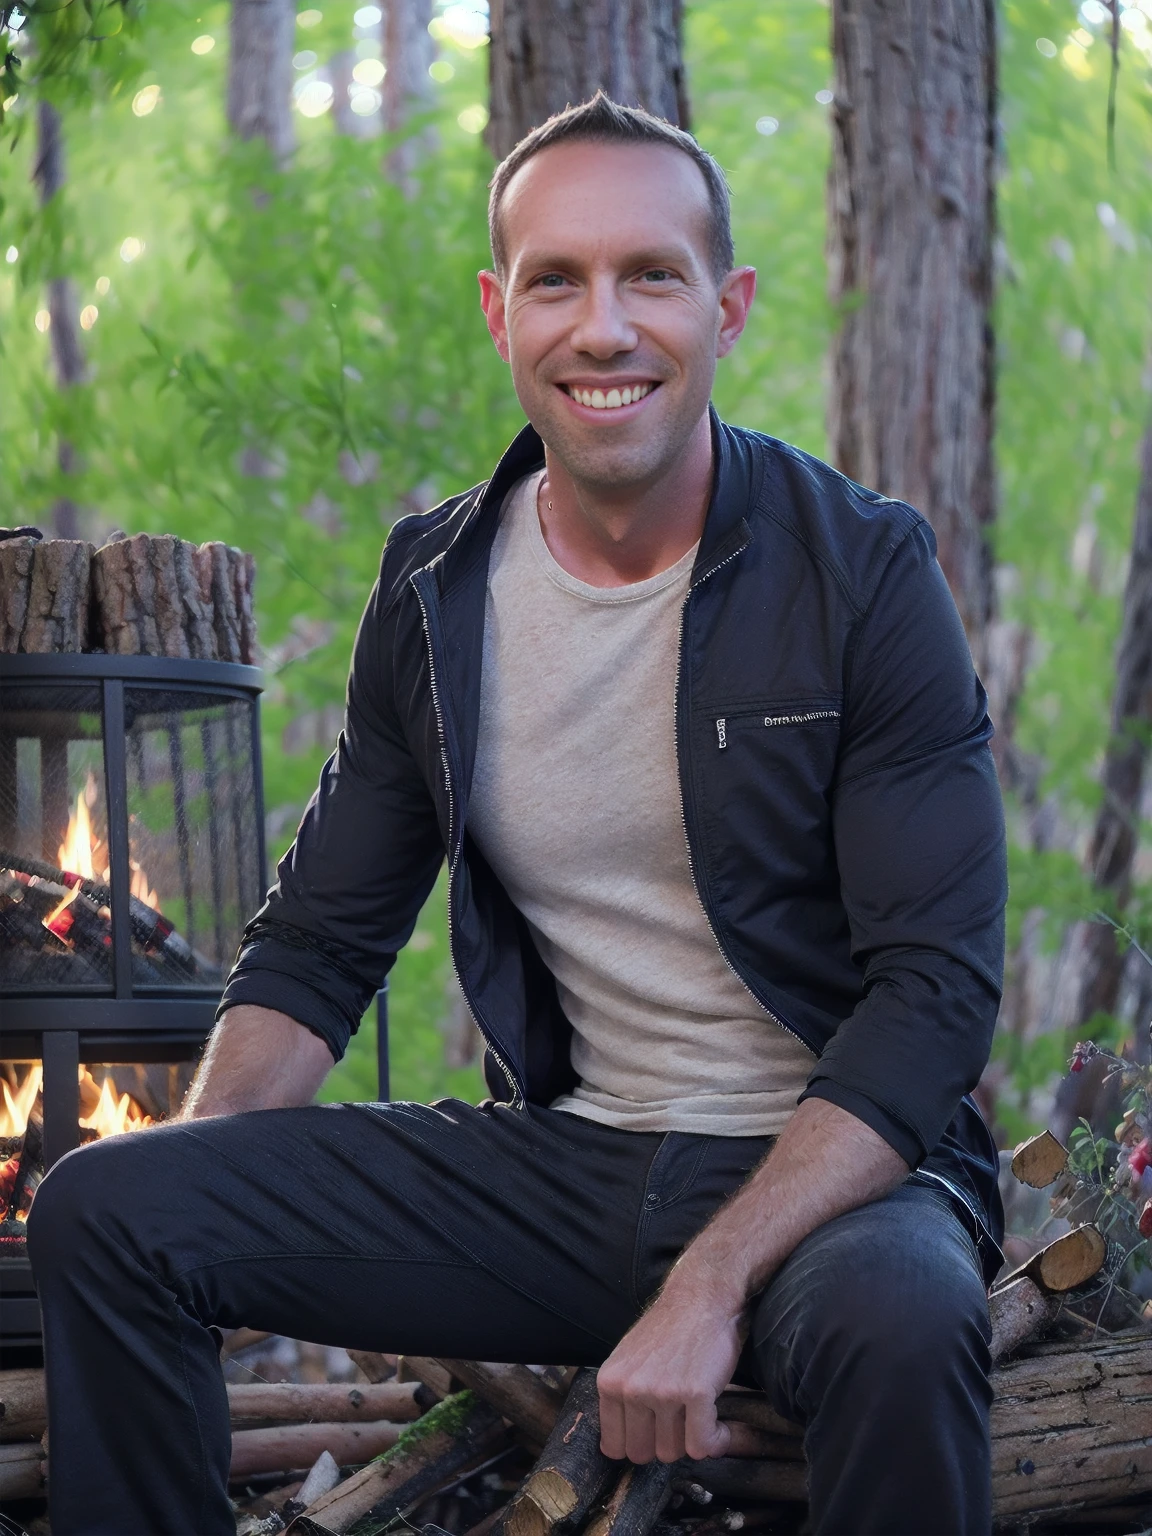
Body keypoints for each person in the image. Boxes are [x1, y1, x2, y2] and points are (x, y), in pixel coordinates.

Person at [28, 94, 1007, 1536]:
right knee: (107, 1207)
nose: (602, 329)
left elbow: (936, 996)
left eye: (650, 277)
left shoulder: (862, 571)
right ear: (502, 313)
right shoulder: (437, 594)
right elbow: (317, 943)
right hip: (564, 1169)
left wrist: (710, 1286)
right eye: (558, 279)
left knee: (907, 1323)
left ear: (725, 308)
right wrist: (210, 1180)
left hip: (832, 1190)